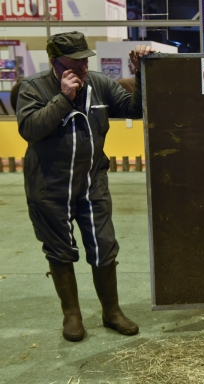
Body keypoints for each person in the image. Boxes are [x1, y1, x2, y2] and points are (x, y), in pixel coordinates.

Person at [16, 31, 154, 342]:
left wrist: (141, 74)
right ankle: (72, 315)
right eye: (72, 63)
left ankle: (112, 311)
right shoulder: (33, 87)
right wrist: (63, 98)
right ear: (54, 61)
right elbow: (30, 129)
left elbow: (135, 109)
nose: (80, 68)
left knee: (104, 245)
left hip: (92, 182)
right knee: (60, 250)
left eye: (83, 61)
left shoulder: (99, 83)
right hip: (49, 186)